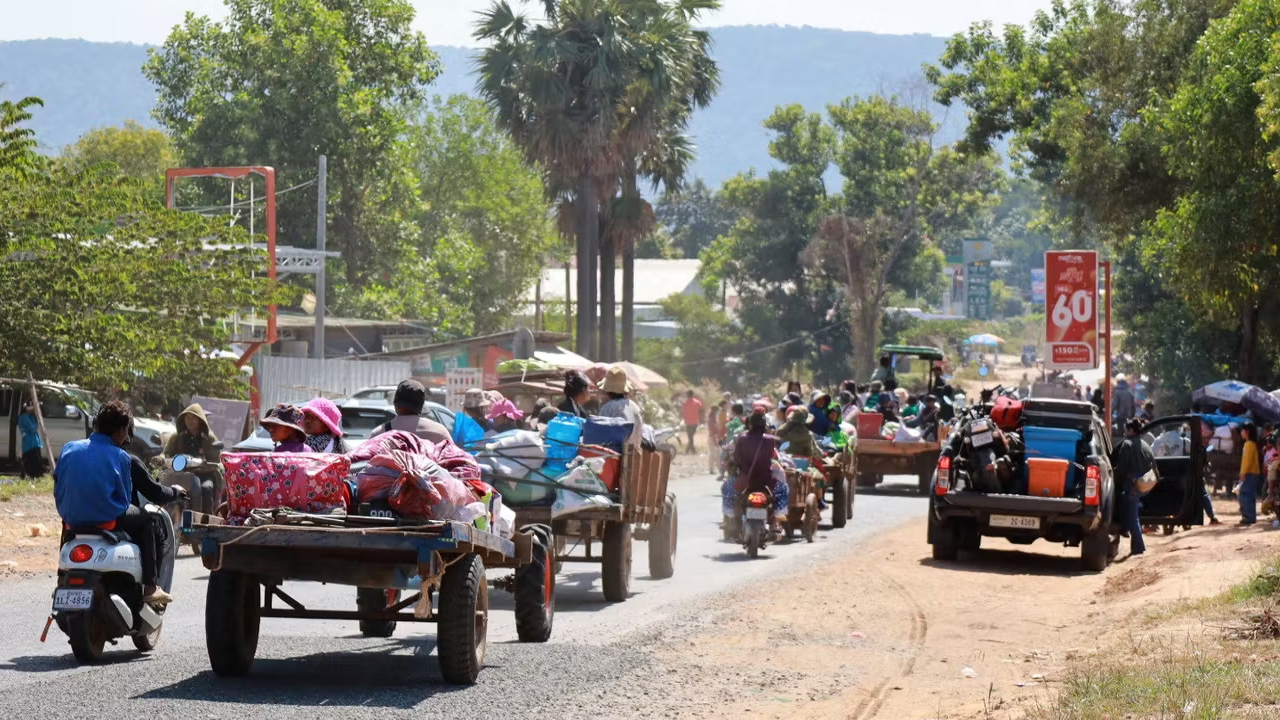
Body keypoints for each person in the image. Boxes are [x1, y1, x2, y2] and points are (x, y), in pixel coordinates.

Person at [54, 401, 185, 605]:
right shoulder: (122, 456)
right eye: (127, 429)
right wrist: (175, 492)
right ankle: (151, 587)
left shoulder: (69, 448)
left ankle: (62, 578)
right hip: (107, 517)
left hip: (71, 517)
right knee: (147, 522)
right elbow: (125, 498)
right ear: (121, 430)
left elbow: (59, 482)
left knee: (67, 526)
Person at [163, 403, 224, 517]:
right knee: (164, 488)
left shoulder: (209, 437)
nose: (189, 420)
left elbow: (215, 459)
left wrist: (205, 463)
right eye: (187, 417)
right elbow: (166, 453)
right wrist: (160, 458)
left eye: (193, 417)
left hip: (203, 475)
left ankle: (205, 521)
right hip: (180, 474)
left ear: (200, 419)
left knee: (206, 488)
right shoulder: (177, 436)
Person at [1112, 418, 1154, 556]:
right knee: (1131, 508)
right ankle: (1126, 530)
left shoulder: (1126, 445)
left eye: (1126, 429)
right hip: (1146, 485)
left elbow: (1121, 468)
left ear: (1130, 430)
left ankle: (1139, 548)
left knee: (1131, 515)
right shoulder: (1146, 445)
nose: (1125, 432)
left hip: (1133, 486)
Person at [373, 379, 452, 445]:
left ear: (396, 406)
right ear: (421, 407)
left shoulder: (379, 433)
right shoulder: (439, 431)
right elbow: (455, 458)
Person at [597, 365, 645, 447]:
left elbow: (599, 436)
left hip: (613, 456)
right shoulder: (634, 406)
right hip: (633, 454)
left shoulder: (607, 408)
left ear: (606, 390)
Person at [1239, 423, 1263, 526]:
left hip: (1249, 473)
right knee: (1249, 495)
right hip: (1253, 473)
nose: (1241, 432)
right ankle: (1250, 517)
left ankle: (1248, 518)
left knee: (1245, 495)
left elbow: (1247, 461)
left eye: (1242, 430)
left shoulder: (1249, 444)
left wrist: (1243, 473)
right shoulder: (1251, 444)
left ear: (1247, 432)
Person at [18, 401, 44, 479]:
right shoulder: (24, 417)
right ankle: (29, 475)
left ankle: (37, 475)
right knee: (30, 460)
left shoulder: (31, 416)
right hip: (29, 443)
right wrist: (38, 423)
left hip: (35, 442)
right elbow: (33, 429)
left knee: (37, 460)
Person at [682, 390, 704, 454]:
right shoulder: (697, 402)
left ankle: (689, 450)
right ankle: (691, 450)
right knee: (691, 436)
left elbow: (683, 412)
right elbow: (701, 410)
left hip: (688, 422)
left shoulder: (685, 402)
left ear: (687, 395)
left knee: (690, 437)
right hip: (695, 422)